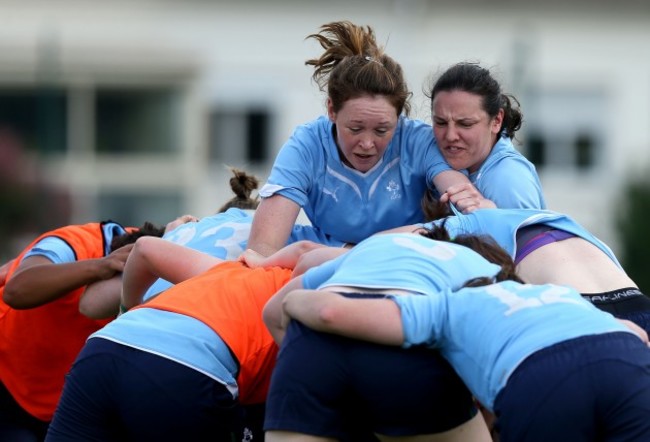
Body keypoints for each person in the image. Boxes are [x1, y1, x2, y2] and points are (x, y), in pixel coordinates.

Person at [281, 277, 650, 441]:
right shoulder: (556, 293)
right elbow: (638, 335)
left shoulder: (449, 306)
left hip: (540, 377)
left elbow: (333, 314)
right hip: (625, 359)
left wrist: (293, 302)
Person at [45, 236, 325, 442]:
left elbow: (145, 248)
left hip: (104, 348)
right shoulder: (326, 296)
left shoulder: (237, 271)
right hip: (185, 369)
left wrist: (126, 311)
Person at [247, 21, 489, 257]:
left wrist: (472, 201)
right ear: (331, 110)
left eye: (382, 130)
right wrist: (347, 255)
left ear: (400, 116)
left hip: (404, 255)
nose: (367, 144)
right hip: (327, 254)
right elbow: (262, 249)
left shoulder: (419, 141)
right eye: (355, 128)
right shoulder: (306, 146)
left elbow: (461, 198)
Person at [260, 227, 521, 441]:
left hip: (309, 342)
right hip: (402, 348)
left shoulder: (376, 245)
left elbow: (272, 312)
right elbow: (501, 363)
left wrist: (318, 366)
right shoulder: (488, 271)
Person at [79, 167, 335, 319]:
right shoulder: (286, 233)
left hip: (125, 334)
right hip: (192, 335)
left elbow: (90, 305)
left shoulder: (186, 231)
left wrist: (129, 308)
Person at [0, 220, 164, 442]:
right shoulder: (76, 243)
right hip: (7, 375)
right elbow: (17, 289)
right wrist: (101, 266)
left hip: (65, 403)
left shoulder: (162, 267)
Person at [405, 204, 650, 335]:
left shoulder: (469, 222)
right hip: (637, 302)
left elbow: (398, 237)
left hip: (584, 312)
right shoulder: (555, 217)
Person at [430, 62, 546, 210]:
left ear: (497, 120)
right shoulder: (429, 151)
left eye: (465, 124)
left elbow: (524, 233)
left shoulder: (509, 179)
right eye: (440, 122)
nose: (450, 136)